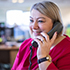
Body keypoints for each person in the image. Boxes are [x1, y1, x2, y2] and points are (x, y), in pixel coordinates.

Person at [11, 1, 70, 70]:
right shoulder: (26, 45)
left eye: (40, 21)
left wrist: (43, 58)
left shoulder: (67, 48)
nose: (33, 26)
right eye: (31, 20)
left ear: (56, 25)